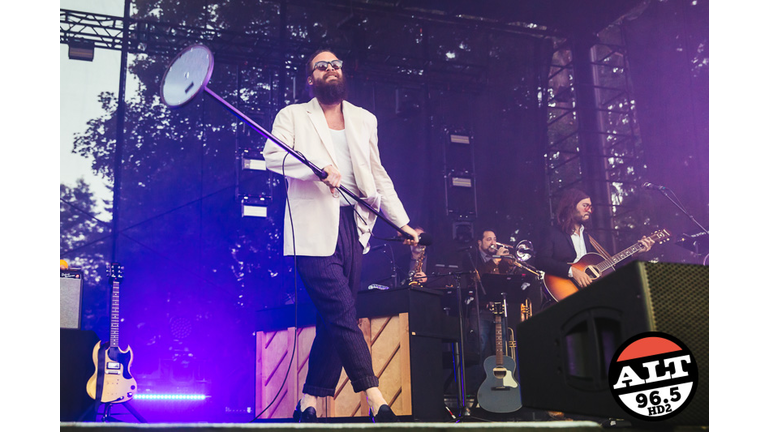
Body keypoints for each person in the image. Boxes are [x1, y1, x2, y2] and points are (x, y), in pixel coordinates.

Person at [263, 48, 420, 423]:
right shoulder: (293, 116)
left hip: (354, 226)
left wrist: (402, 224)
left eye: (336, 64)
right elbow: (273, 156)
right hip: (311, 230)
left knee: (332, 319)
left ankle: (308, 400)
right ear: (310, 78)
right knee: (344, 313)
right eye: (322, 65)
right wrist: (316, 169)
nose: (331, 69)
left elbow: (378, 176)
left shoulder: (365, 120)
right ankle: (375, 396)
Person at [536, 188, 655, 292]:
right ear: (571, 206)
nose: (589, 210)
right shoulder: (553, 233)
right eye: (585, 205)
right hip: (563, 290)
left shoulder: (590, 237)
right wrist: (572, 271)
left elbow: (608, 264)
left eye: (590, 207)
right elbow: (541, 261)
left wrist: (635, 253)